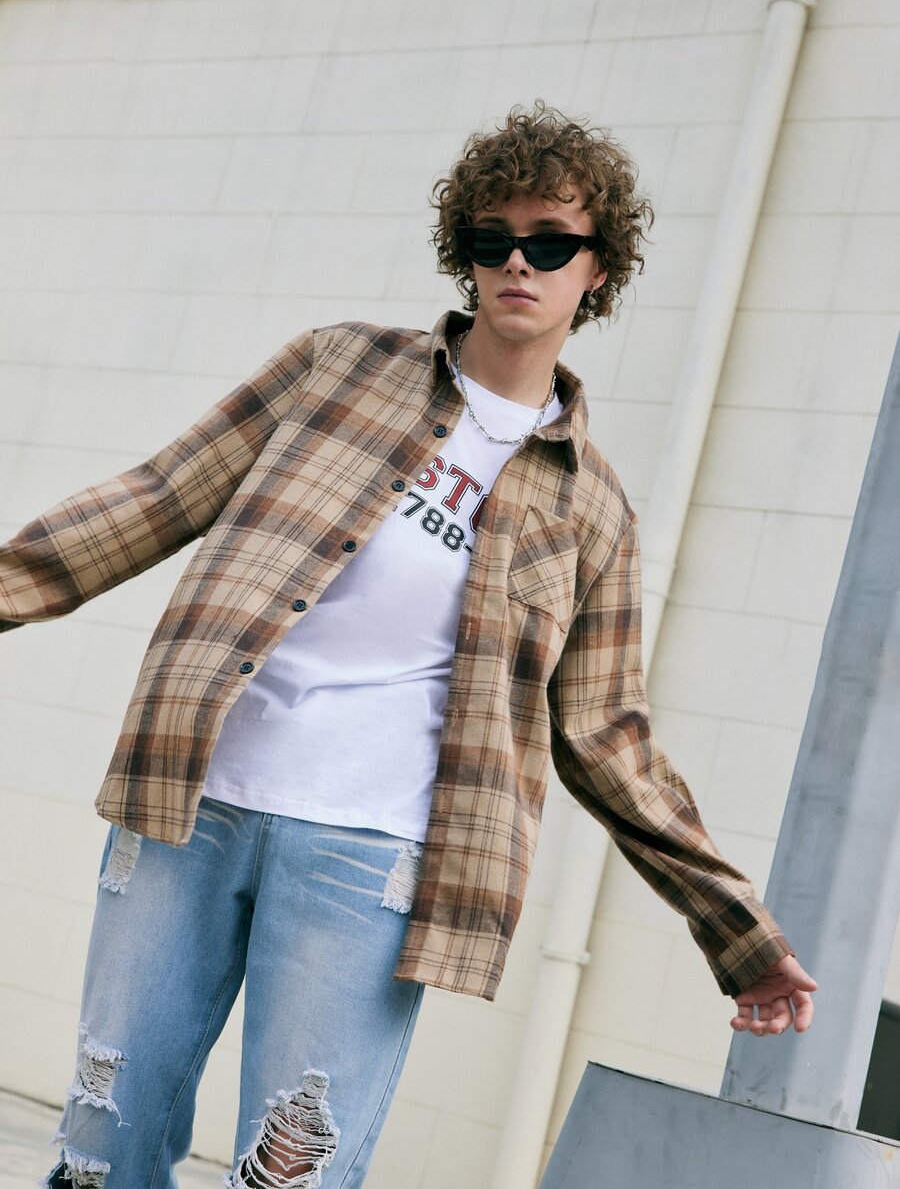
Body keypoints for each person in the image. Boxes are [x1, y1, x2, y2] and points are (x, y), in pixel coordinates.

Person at [1, 103, 816, 1189]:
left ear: (598, 271)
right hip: (189, 802)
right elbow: (158, 496)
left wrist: (740, 930)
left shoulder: (594, 510)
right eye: (492, 239)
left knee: (289, 1175)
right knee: (99, 1151)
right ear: (464, 253)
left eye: (551, 244)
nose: (517, 262)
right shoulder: (333, 368)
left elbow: (606, 735)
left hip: (371, 858)